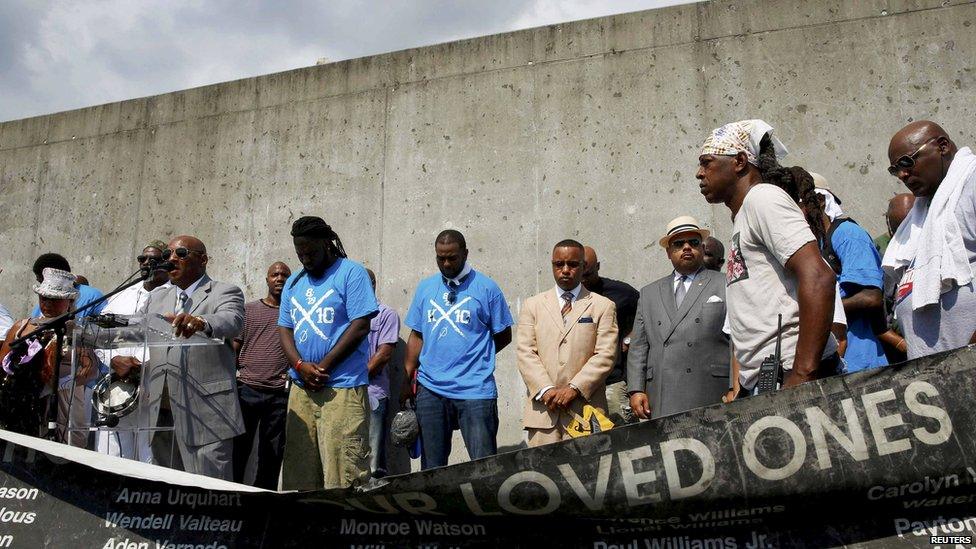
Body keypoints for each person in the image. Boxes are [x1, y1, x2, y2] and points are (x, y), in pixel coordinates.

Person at [696, 119, 838, 393]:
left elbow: (819, 277)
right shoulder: (745, 214)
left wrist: (802, 373)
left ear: (739, 161)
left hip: (791, 374)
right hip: (767, 379)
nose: (699, 173)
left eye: (707, 162)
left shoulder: (763, 200)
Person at [110, 235, 245, 480]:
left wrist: (201, 322)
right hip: (161, 410)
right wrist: (91, 334)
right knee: (168, 494)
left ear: (203, 260)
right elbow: (138, 330)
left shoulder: (224, 291)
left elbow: (232, 320)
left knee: (209, 494)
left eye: (181, 254)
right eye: (168, 255)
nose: (172, 259)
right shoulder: (158, 297)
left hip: (206, 413)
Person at [278, 217, 378, 489]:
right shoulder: (294, 282)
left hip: (341, 390)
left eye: (310, 252)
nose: (305, 258)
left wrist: (321, 368)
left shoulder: (351, 273)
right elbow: (285, 329)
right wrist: (300, 366)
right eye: (300, 253)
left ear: (327, 243)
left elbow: (360, 326)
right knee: (300, 476)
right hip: (301, 389)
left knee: (344, 475)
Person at [402, 230, 513, 469]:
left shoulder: (487, 288)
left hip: (475, 390)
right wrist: (407, 376)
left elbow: (504, 334)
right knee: (431, 468)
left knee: (483, 467)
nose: (446, 263)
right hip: (431, 389)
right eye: (440, 258)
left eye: (452, 257)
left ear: (465, 254)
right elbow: (417, 335)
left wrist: (475, 357)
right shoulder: (426, 288)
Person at [883, 121, 976, 360]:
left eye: (906, 162)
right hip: (937, 383)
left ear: (942, 146)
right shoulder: (920, 217)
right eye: (895, 170)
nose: (902, 174)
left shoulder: (971, 183)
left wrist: (969, 359)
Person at [516, 240, 617, 446]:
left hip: (585, 413)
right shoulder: (533, 305)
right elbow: (526, 352)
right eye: (558, 264)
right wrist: (546, 390)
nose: (565, 270)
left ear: (583, 266)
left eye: (572, 264)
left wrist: (574, 388)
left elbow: (606, 354)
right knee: (544, 473)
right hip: (544, 413)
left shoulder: (602, 306)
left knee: (589, 474)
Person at [627, 217, 730, 419]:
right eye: (678, 244)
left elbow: (738, 338)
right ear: (668, 252)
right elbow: (639, 346)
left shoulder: (724, 283)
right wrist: (636, 389)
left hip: (711, 389)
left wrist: (736, 385)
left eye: (693, 242)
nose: (687, 248)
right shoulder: (649, 293)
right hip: (663, 391)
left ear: (701, 247)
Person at [95, 241, 170, 461]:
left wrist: (146, 365)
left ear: (166, 263)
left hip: (154, 386)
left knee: (150, 455)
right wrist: (114, 359)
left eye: (154, 259)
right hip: (118, 383)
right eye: (142, 259)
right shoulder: (122, 295)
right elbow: (98, 336)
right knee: (113, 453)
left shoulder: (176, 296)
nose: (146, 263)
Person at [805, 173, 888, 373]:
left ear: (820, 200)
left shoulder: (847, 234)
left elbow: (871, 297)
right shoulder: (815, 245)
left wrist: (818, 312)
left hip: (860, 362)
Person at [231, 261, 292, 489]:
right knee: (239, 450)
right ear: (267, 279)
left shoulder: (294, 314)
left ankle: (264, 503)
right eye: (275, 274)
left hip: (279, 395)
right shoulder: (248, 310)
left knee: (272, 454)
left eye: (285, 275)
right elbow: (235, 348)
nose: (280, 279)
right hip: (246, 390)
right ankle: (232, 497)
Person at [580, 246, 638, 425]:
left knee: (626, 442)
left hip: (613, 382)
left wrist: (630, 337)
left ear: (598, 266)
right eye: (579, 274)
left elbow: (649, 315)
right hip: (579, 386)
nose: (582, 280)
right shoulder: (567, 298)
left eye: (587, 274)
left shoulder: (621, 293)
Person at [364, 268, 400, 478]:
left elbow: (384, 353)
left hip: (373, 392)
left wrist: (356, 377)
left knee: (373, 456)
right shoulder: (345, 313)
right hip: (345, 391)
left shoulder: (386, 314)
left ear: (373, 284)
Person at [30, 253, 105, 318]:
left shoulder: (93, 297)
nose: (48, 303)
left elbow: (107, 329)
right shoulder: (38, 310)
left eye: (40, 278)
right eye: (43, 299)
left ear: (71, 301)